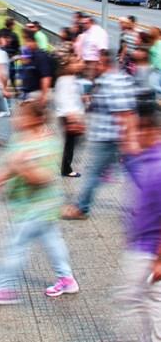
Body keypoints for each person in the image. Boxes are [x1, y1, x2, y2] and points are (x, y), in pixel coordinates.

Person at [0, 101, 79, 306]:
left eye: (22, 116)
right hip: (30, 205)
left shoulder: (47, 144)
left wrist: (23, 166)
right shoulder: (20, 138)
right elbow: (11, 167)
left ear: (36, 119)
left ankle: (2, 288)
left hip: (37, 206)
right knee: (53, 240)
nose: (16, 119)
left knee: (15, 246)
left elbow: (43, 178)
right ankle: (67, 279)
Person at [62, 50, 136, 220]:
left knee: (93, 173)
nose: (94, 66)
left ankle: (81, 208)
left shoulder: (112, 81)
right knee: (133, 173)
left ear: (104, 63)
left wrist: (128, 140)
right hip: (109, 137)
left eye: (97, 63)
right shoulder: (114, 79)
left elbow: (124, 113)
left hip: (108, 138)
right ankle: (150, 205)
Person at [116, 102, 161, 341]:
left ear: (151, 131)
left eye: (135, 130)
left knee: (138, 303)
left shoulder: (158, 165)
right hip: (141, 247)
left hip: (148, 251)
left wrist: (159, 260)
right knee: (143, 303)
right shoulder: (146, 160)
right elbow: (129, 154)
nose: (131, 135)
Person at [54, 56, 85, 177]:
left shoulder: (71, 78)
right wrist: (71, 117)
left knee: (72, 142)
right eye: (76, 62)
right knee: (70, 143)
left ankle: (66, 167)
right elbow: (63, 99)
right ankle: (66, 169)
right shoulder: (65, 79)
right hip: (68, 115)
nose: (80, 64)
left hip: (71, 115)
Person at [19, 29, 52, 105]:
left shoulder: (41, 56)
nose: (26, 44)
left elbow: (46, 77)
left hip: (37, 94)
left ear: (34, 41)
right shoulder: (31, 55)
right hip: (29, 93)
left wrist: (44, 95)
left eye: (28, 41)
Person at [1, 17, 20, 93]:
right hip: (10, 57)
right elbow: (17, 47)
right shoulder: (14, 35)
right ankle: (15, 89)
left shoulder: (1, 32)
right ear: (12, 25)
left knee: (3, 74)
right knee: (12, 74)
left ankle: (4, 88)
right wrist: (17, 54)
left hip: (2, 56)